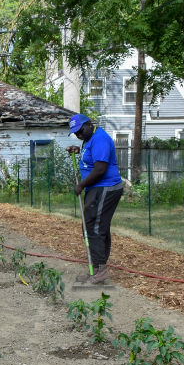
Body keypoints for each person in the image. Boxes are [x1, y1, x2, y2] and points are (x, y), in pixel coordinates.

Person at [66, 114, 123, 285]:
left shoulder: (100, 139)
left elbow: (100, 169)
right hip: (97, 188)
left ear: (89, 125)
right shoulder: (91, 139)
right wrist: (78, 150)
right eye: (75, 133)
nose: (78, 135)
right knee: (92, 225)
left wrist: (81, 185)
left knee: (95, 226)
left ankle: (100, 270)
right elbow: (92, 158)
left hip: (106, 187)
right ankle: (97, 268)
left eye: (80, 131)